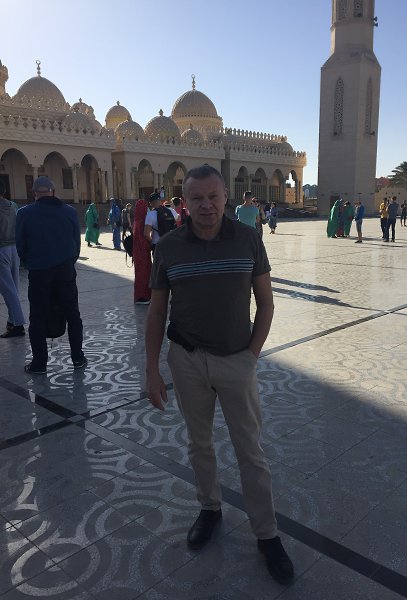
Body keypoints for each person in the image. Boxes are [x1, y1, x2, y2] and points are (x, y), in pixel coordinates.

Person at [145, 164, 294, 585]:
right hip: (187, 360)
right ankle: (209, 509)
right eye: (197, 198)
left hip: (235, 360)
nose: (206, 205)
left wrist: (250, 356)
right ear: (185, 202)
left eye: (213, 196)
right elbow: (157, 310)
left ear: (226, 196)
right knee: (200, 444)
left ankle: (266, 533)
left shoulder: (247, 239)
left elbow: (266, 303)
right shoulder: (169, 247)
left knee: (250, 451)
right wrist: (151, 368)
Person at [15, 176, 86, 374]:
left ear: (34, 193)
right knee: (72, 314)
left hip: (39, 271)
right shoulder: (69, 212)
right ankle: (78, 358)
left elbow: (20, 245)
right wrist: (69, 262)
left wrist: (30, 263)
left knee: (37, 316)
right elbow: (76, 243)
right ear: (53, 191)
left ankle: (39, 363)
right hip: (65, 271)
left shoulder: (24, 213)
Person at [0, 180, 26, 338]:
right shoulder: (13, 206)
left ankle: (18, 324)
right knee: (13, 288)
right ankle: (12, 321)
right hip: (13, 249)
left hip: (1, 249)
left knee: (8, 291)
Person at [133, 198, 152, 305]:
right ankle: (142, 297)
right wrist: (150, 244)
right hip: (142, 252)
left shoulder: (137, 220)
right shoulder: (142, 222)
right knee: (143, 274)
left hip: (138, 252)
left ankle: (144, 295)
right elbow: (143, 237)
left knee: (142, 273)